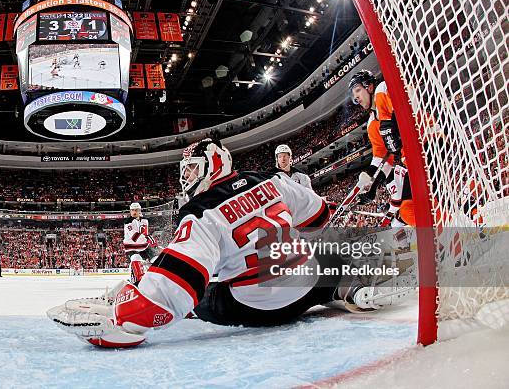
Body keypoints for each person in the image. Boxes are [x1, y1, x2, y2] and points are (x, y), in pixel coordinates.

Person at [49, 139, 414, 348]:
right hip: (306, 287)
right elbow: (319, 216)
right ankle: (350, 285)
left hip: (257, 307)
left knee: (195, 286)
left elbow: (175, 290)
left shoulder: (201, 212)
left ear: (213, 165)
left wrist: (123, 320)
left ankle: (129, 288)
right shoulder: (273, 181)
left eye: (191, 169)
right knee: (323, 256)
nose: (186, 178)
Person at [348, 70, 414, 227]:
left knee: (409, 210)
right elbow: (382, 158)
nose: (355, 96)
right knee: (407, 212)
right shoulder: (372, 124)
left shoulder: (383, 89)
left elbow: (409, 97)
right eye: (353, 94)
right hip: (412, 159)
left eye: (358, 90)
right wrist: (372, 182)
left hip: (428, 143)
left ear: (369, 87)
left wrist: (393, 121)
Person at [123, 202, 157, 283]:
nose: (134, 212)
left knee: (156, 259)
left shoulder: (145, 220)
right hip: (131, 247)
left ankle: (156, 278)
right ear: (130, 211)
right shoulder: (128, 222)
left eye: (136, 210)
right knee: (135, 258)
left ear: (140, 211)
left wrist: (152, 242)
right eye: (132, 210)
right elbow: (134, 237)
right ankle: (136, 281)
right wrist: (149, 239)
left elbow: (145, 233)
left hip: (144, 246)